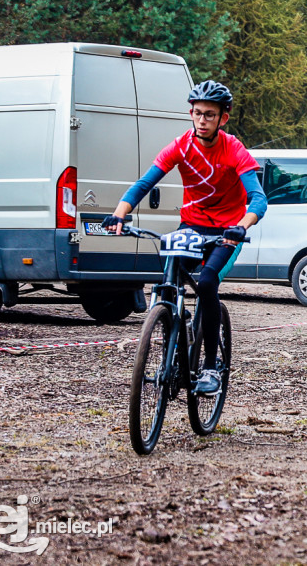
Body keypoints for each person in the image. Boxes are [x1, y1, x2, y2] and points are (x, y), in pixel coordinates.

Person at [103, 80, 267, 395]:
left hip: (227, 232)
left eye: (209, 114)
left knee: (206, 283)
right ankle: (172, 319)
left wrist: (242, 226)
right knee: (168, 276)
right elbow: (144, 183)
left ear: (223, 118)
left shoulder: (233, 149)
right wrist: (120, 213)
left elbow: (258, 199)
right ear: (190, 114)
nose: (202, 120)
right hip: (191, 227)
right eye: (197, 113)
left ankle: (209, 367)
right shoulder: (180, 146)